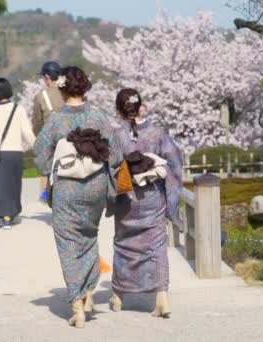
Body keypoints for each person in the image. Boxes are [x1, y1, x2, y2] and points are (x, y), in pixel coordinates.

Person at [33, 66, 122, 329]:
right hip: (94, 187)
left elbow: (39, 152)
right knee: (88, 236)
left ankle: (76, 304)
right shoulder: (99, 118)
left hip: (67, 189)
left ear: (62, 89)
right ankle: (88, 292)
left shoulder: (56, 120)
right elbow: (115, 155)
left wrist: (52, 169)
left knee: (68, 243)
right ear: (85, 88)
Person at [109, 88, 183, 319]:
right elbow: (175, 163)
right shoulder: (157, 133)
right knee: (156, 246)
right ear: (141, 106)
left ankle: (118, 296)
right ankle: (161, 297)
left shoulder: (117, 135)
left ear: (119, 110)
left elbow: (110, 168)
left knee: (124, 245)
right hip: (153, 197)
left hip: (127, 199)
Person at [0, 78, 36, 229]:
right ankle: (9, 215)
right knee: (12, 184)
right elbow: (27, 132)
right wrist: (36, 146)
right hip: (14, 152)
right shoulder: (18, 109)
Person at [32, 61, 65, 202]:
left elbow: (37, 122)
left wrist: (39, 136)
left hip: (50, 140)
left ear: (47, 77)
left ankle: (47, 196)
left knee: (46, 170)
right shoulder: (68, 91)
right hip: (71, 139)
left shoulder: (41, 96)